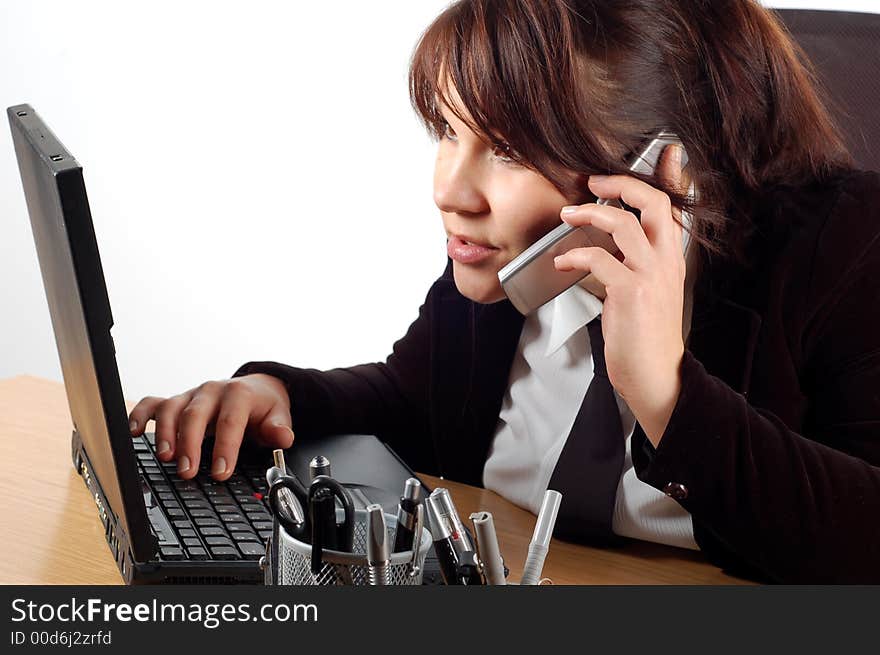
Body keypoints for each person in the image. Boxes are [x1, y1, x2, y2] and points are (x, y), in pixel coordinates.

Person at [128, 0, 880, 583]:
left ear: (658, 169)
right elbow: (410, 404)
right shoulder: (501, 267)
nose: (449, 191)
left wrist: (666, 395)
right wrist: (280, 397)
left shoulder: (843, 248)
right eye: (448, 132)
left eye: (510, 149)